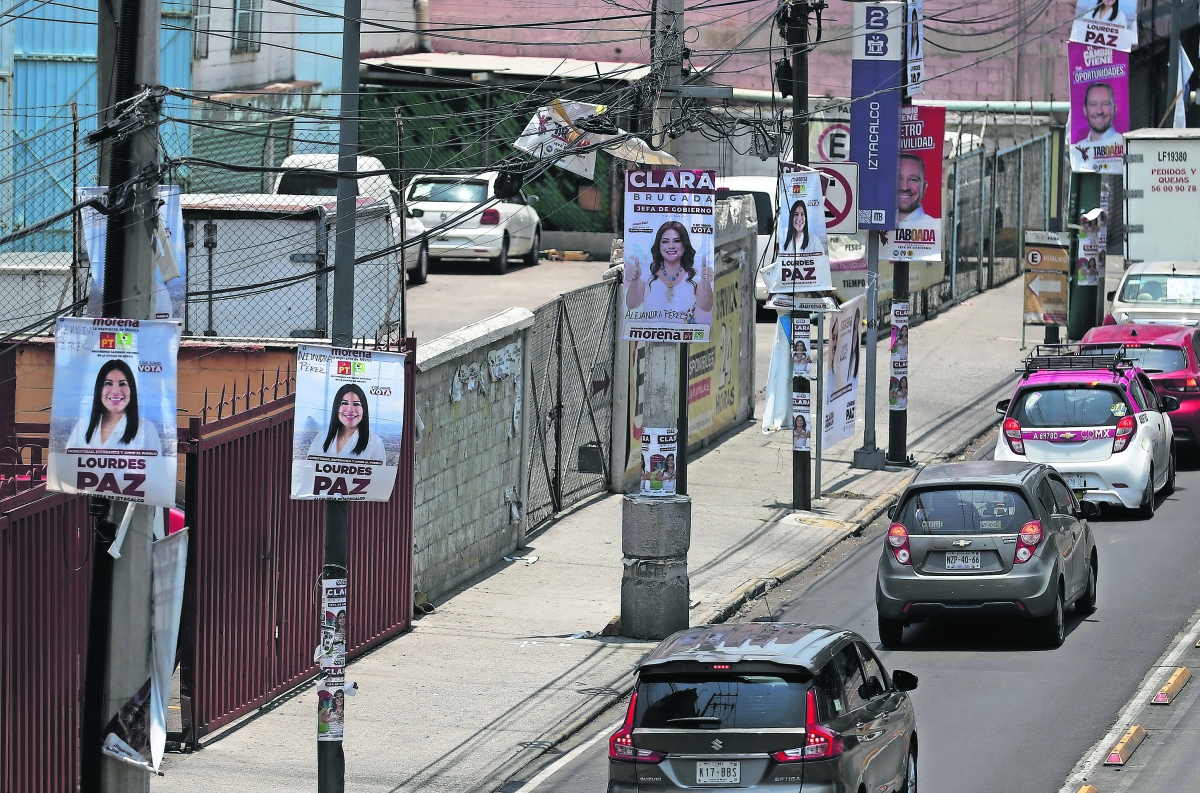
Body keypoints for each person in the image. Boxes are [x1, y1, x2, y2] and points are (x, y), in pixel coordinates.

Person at [625, 221, 715, 326]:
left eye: (677, 241)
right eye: (665, 241)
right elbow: (631, 304)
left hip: (684, 338)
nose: (671, 246)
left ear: (684, 245)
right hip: (651, 338)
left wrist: (705, 282)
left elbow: (706, 307)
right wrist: (634, 282)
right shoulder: (646, 271)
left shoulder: (695, 274)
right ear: (659, 245)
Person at [65, 359, 162, 452]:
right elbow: (68, 461)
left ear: (131, 389)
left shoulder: (147, 429)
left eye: (122, 384)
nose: (115, 391)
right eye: (108, 383)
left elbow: (155, 466)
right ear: (99, 389)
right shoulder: (83, 425)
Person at [307, 383, 387, 463]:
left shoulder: (375, 443)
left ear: (364, 409)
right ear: (336, 407)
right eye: (344, 403)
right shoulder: (320, 438)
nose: (350, 409)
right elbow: (309, 469)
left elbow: (379, 474)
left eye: (356, 404)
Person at [897, 154, 938, 224]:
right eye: (898, 179)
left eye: (913, 180)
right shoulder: (876, 225)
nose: (904, 188)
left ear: (924, 187)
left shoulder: (934, 226)